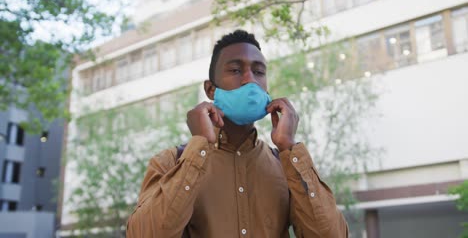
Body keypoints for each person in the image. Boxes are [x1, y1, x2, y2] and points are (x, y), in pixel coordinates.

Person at [126, 30, 348, 237]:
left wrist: (289, 147)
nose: (250, 80)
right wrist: (199, 146)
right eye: (235, 70)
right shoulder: (170, 163)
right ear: (210, 89)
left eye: (259, 72)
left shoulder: (286, 164)